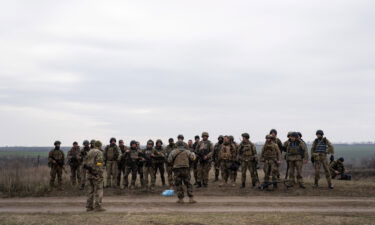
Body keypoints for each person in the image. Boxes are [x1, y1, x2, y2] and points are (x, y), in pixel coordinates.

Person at [84, 140, 105, 212]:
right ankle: (98, 207)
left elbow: (85, 163)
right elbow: (99, 163)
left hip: (89, 174)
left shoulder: (89, 151)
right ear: (99, 145)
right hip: (96, 174)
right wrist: (99, 171)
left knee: (90, 191)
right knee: (98, 190)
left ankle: (89, 207)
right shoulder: (99, 152)